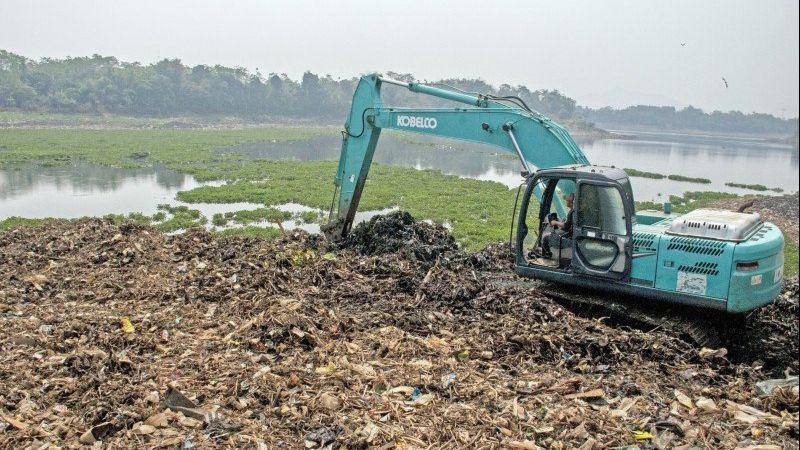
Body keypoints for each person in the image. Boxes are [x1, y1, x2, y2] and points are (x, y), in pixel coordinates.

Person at [542, 192, 574, 259]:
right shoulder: (574, 211)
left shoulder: (573, 212)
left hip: (571, 242)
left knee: (546, 238)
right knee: (554, 234)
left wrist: (555, 222)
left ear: (571, 202)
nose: (566, 201)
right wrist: (561, 223)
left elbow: (566, 227)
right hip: (572, 238)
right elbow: (569, 226)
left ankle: (547, 257)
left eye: (567, 200)